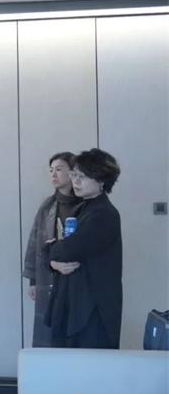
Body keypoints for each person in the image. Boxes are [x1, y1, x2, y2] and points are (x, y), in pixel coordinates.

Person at [45, 148, 122, 349]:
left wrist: (52, 251)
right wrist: (53, 260)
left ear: (101, 181)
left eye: (83, 176)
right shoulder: (83, 208)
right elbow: (54, 250)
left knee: (88, 364)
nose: (76, 181)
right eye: (74, 175)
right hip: (75, 303)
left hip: (92, 308)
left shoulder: (103, 214)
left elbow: (69, 249)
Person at [23, 152, 81, 347]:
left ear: (72, 173)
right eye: (51, 170)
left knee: (75, 331)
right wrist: (33, 280)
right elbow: (34, 243)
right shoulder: (47, 206)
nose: (53, 174)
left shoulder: (84, 204)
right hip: (49, 276)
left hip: (77, 275)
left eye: (59, 169)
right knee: (48, 332)